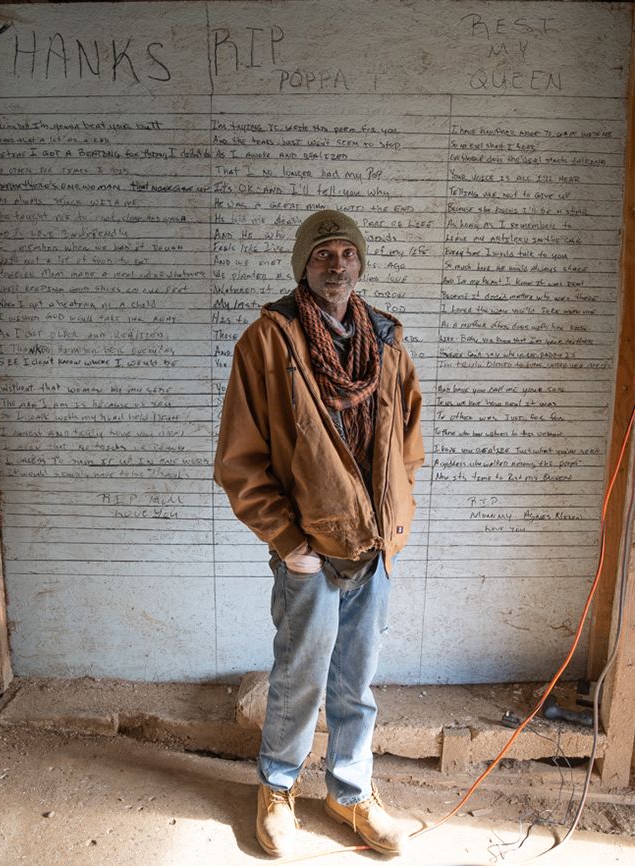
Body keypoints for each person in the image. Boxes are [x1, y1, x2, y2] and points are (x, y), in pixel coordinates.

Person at [214, 209, 424, 857]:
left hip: (374, 547)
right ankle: (277, 788)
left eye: (346, 253)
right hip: (308, 549)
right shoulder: (267, 342)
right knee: (301, 673)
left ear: (360, 262)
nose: (337, 265)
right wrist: (290, 542)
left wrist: (394, 524)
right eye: (323, 254)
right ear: (303, 265)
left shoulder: (386, 338)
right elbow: (240, 460)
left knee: (357, 680)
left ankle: (350, 793)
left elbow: (408, 442)